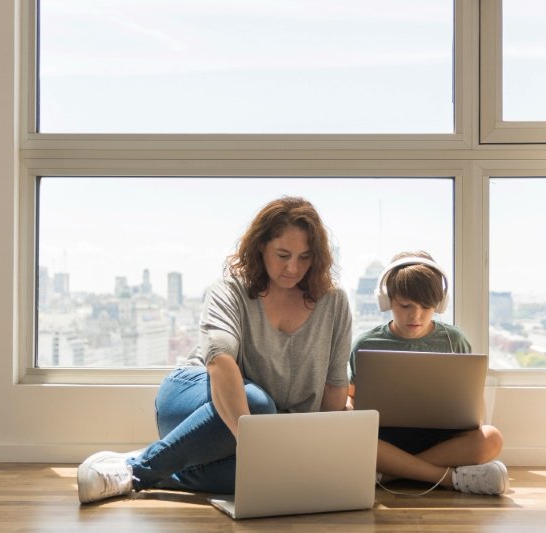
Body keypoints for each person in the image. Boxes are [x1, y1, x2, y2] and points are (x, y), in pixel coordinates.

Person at [77, 196, 353, 503]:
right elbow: (221, 365)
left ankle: (166, 464)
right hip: (195, 402)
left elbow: (334, 386)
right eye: (283, 254)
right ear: (261, 246)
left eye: (304, 257)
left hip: (263, 432)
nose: (293, 267)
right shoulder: (230, 289)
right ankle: (137, 470)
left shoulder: (334, 301)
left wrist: (319, 452)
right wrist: (260, 448)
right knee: (258, 406)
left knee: (284, 473)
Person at [348, 251, 508, 496]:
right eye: (405, 306)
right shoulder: (366, 343)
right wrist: (351, 411)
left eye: (426, 306)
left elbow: (472, 401)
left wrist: (474, 419)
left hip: (440, 438)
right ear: (387, 300)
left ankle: (390, 474)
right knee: (351, 435)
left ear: (439, 305)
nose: (416, 315)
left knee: (491, 438)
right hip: (387, 438)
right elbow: (351, 396)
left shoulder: (455, 340)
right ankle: (448, 478)